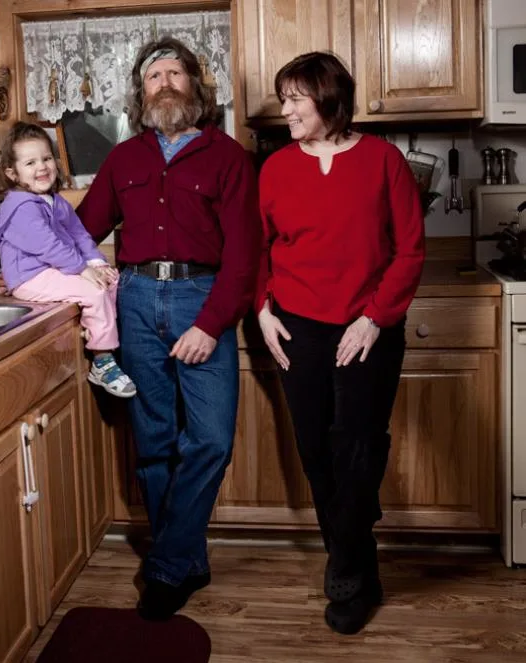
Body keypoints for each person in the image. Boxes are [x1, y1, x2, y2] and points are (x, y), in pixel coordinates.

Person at [75, 37, 262, 620]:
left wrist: (210, 324)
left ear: (195, 86)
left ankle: (165, 565)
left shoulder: (228, 157)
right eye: (153, 76)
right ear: (141, 92)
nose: (163, 83)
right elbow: (82, 230)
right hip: (133, 300)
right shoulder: (123, 159)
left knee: (210, 439)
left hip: (201, 298)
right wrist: (26, 265)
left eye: (174, 73)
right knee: (154, 441)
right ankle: (186, 559)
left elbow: (245, 255)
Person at [255, 52, 425, 635]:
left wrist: (375, 317)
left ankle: (346, 575)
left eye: (295, 99)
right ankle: (359, 561)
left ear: (328, 99)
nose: (285, 110)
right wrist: (261, 310)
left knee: (358, 450)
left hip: (367, 329)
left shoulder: (383, 161)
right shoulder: (275, 168)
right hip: (296, 327)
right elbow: (257, 247)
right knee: (316, 452)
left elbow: (410, 250)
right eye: (283, 99)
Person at [0, 121, 136, 398]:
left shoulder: (55, 200)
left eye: (46, 158)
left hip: (52, 270)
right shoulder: (20, 206)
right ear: (12, 173)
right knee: (93, 291)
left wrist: (97, 264)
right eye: (30, 163)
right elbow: (48, 246)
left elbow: (79, 235)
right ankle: (102, 361)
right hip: (29, 276)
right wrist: (83, 270)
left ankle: (103, 338)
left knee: (111, 281)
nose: (42, 167)